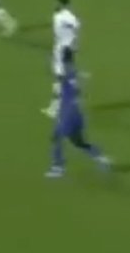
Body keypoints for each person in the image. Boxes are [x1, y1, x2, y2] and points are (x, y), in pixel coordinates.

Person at [45, 48, 112, 178]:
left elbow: (60, 77)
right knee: (78, 143)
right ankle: (101, 158)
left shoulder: (67, 71)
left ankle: (58, 168)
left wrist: (51, 61)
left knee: (56, 138)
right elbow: (76, 88)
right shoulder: (75, 72)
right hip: (77, 113)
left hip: (68, 114)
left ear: (64, 59)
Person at [44, 0, 80, 117]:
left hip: (64, 49)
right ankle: (65, 104)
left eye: (56, 1)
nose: (53, 3)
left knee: (60, 78)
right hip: (60, 48)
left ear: (61, 2)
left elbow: (76, 26)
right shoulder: (58, 14)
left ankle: (55, 108)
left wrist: (73, 43)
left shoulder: (67, 16)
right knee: (66, 77)